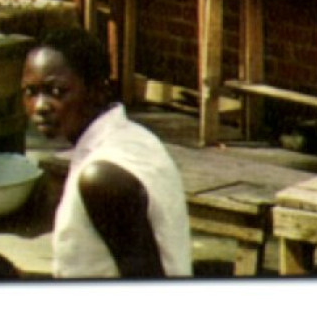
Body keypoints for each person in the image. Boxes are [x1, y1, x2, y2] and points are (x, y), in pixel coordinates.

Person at [23, 28, 192, 278]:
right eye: (30, 92)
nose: (41, 106)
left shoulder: (102, 177)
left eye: (56, 91)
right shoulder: (132, 135)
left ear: (97, 90)